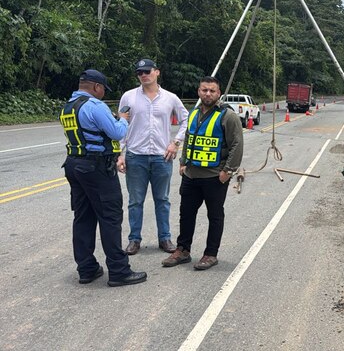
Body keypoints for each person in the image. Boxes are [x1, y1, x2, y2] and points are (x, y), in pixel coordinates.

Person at [59, 69, 147, 287]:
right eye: (103, 89)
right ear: (96, 87)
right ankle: (119, 271)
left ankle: (86, 269)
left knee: (83, 217)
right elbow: (117, 133)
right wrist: (123, 119)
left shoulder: (68, 106)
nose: (103, 93)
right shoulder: (95, 106)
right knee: (110, 217)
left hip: (74, 164)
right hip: (96, 167)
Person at [162, 76, 244, 270]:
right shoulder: (193, 113)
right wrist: (183, 163)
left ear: (219, 93)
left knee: (215, 216)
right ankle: (183, 250)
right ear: (199, 91)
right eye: (204, 90)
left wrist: (227, 171)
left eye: (212, 91)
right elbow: (189, 138)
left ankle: (210, 254)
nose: (208, 94)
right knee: (186, 214)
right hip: (191, 175)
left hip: (214, 176)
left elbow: (237, 144)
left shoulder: (227, 116)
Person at [118, 59, 189, 256]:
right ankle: (134, 239)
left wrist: (176, 143)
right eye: (139, 72)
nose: (143, 75)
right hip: (136, 157)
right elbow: (122, 126)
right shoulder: (128, 97)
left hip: (161, 157)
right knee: (135, 201)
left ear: (157, 72)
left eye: (147, 71)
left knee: (162, 200)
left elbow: (186, 120)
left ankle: (165, 238)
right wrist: (119, 154)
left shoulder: (170, 98)